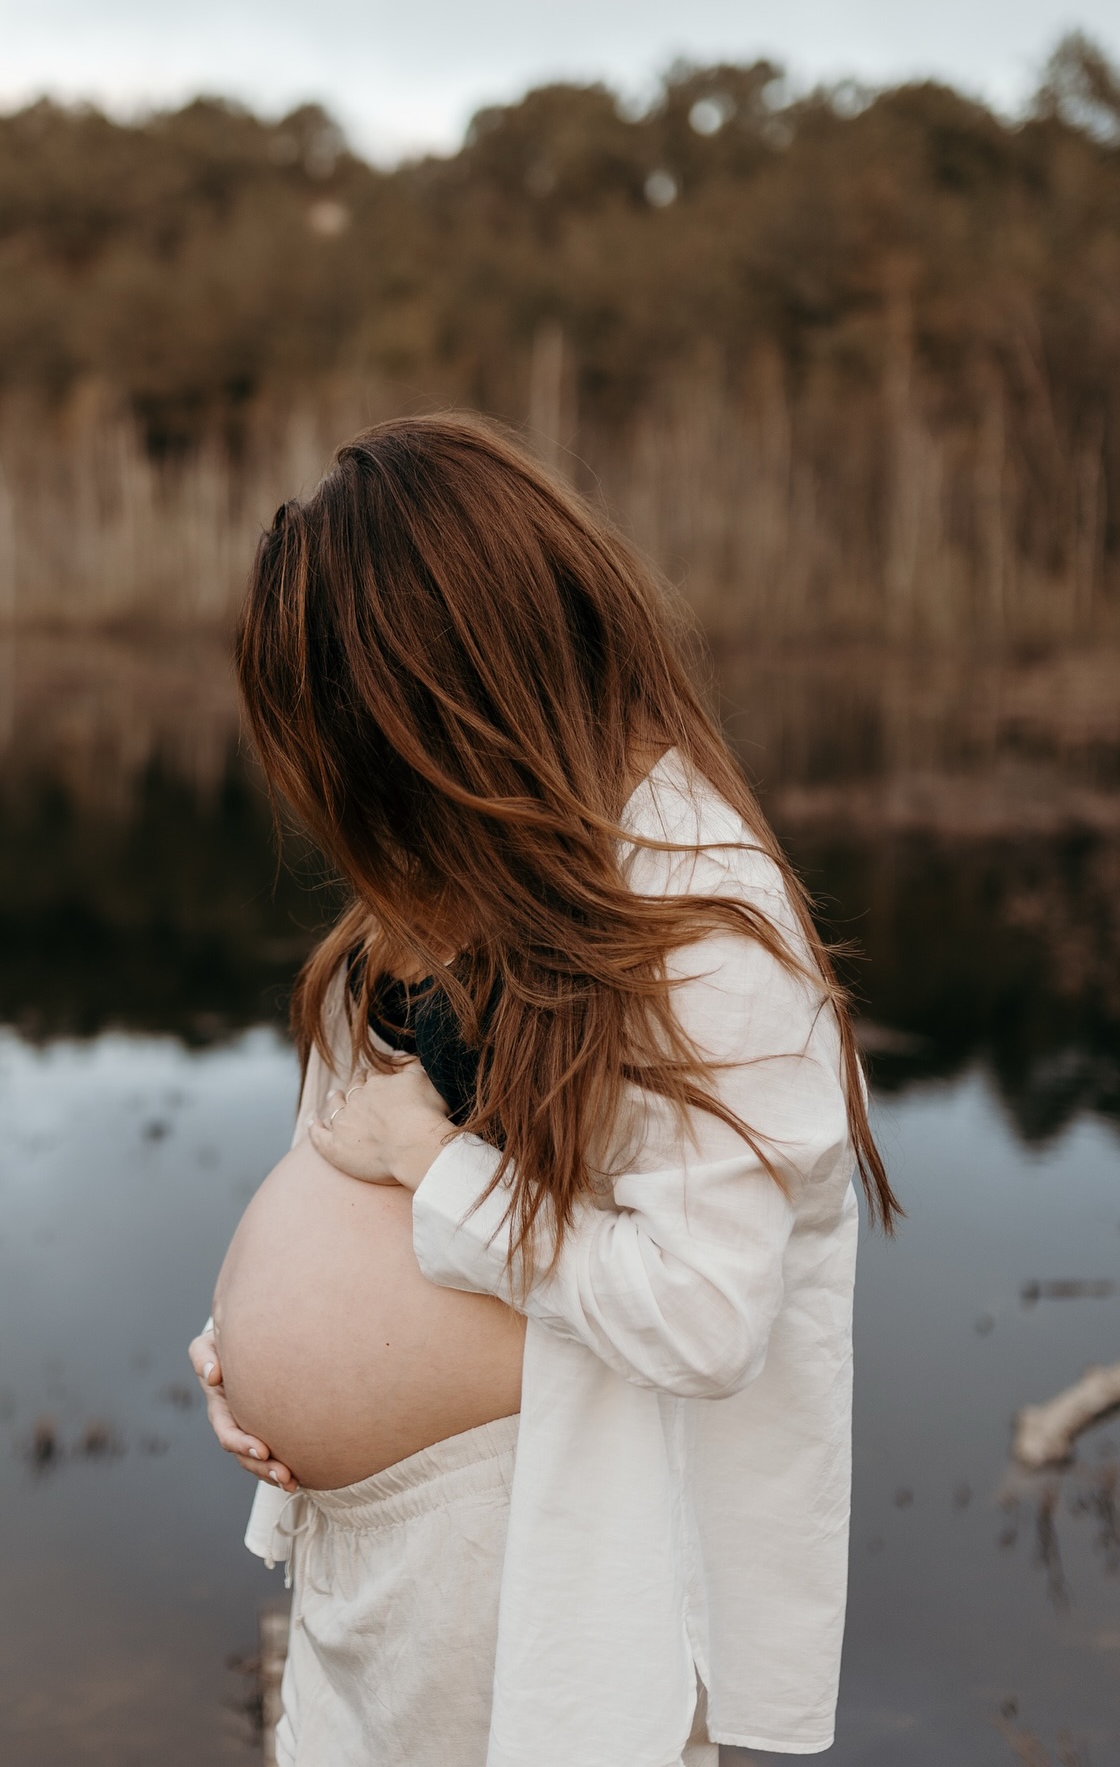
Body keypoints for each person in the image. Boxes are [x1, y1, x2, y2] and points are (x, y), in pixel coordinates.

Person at [188, 415, 900, 1767]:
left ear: (464, 696)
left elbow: (704, 1315)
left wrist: (435, 1170)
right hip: (368, 1567)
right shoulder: (449, 876)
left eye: (369, 742)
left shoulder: (705, 913)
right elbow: (348, 1153)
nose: (359, 799)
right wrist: (243, 1358)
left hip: (532, 1565)